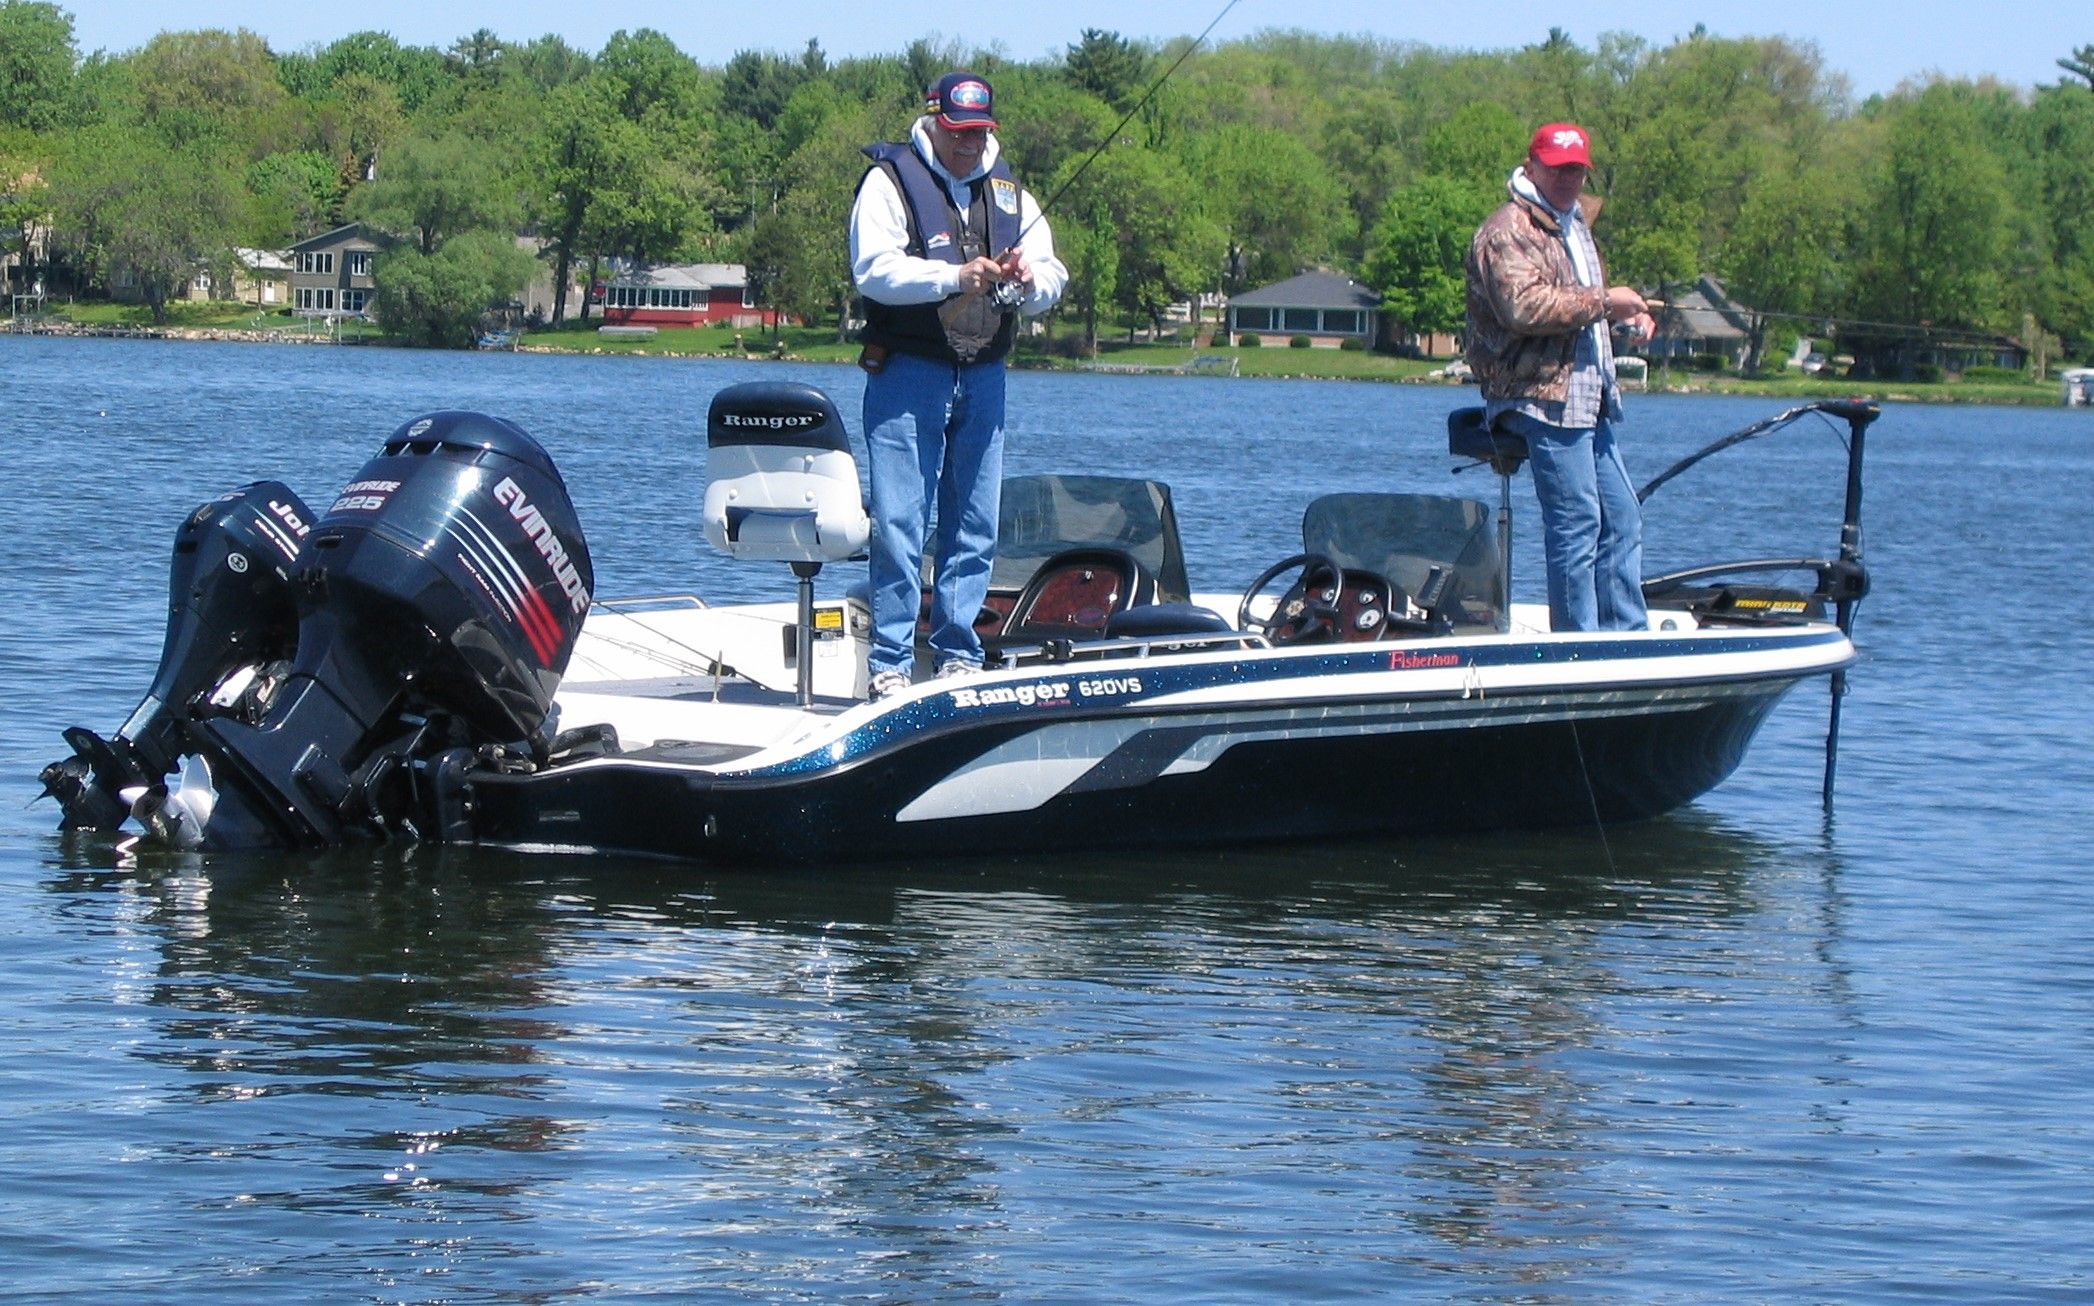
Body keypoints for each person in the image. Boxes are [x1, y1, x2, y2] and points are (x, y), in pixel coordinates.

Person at [849, 71, 1067, 699]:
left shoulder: (1011, 194)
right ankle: (890, 663)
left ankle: (958, 654)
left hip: (985, 375)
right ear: (934, 123)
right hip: (907, 372)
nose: (970, 143)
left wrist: (1028, 282)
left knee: (974, 523)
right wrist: (955, 276)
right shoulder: (889, 183)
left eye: (979, 132)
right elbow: (874, 271)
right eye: (958, 132)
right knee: (899, 522)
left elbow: (1053, 275)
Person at [1464, 122, 1657, 633]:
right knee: (1577, 524)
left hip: (1588, 396)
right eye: (1557, 169)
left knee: (1622, 518)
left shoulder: (1575, 224)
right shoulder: (1507, 230)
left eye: (1576, 170)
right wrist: (1606, 302)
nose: (1568, 179)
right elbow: (1523, 307)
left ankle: (1626, 639)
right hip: (1538, 396)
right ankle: (1579, 644)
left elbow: (1583, 304)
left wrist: (1628, 318)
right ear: (1531, 167)